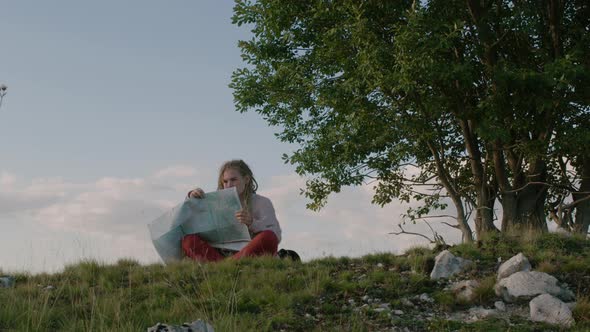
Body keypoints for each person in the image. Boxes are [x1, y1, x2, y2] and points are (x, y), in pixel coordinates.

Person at [181, 159, 282, 262]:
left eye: (233, 180)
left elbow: (275, 234)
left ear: (246, 179)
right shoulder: (216, 202)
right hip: (218, 251)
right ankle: (226, 265)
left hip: (248, 251)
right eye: (225, 181)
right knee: (188, 240)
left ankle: (225, 266)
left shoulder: (262, 202)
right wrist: (192, 198)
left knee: (269, 237)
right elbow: (189, 220)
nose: (229, 185)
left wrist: (252, 223)